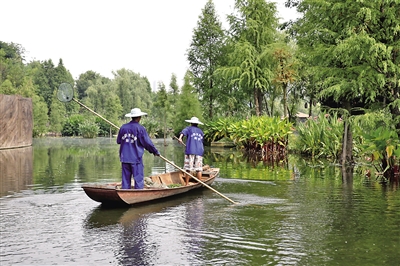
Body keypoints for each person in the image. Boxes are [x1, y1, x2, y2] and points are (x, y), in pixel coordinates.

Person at [117, 108, 160, 189]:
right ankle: (138, 194)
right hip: (136, 158)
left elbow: (119, 141)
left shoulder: (123, 128)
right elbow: (147, 143)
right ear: (139, 117)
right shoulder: (140, 128)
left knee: (125, 180)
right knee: (138, 179)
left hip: (124, 158)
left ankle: (126, 193)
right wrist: (155, 151)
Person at [177, 117, 204, 186]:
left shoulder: (188, 129)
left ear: (191, 123)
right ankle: (199, 183)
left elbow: (183, 133)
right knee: (199, 169)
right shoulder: (200, 131)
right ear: (197, 124)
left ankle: (186, 184)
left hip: (190, 151)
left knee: (188, 168)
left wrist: (180, 138)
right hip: (199, 151)